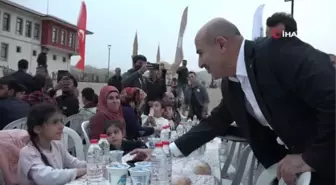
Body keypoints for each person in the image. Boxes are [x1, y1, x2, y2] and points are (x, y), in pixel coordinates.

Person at [136, 17, 336, 184]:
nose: (199, 63)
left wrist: (309, 158)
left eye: (200, 52)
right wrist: (164, 153)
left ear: (222, 44)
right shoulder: (232, 84)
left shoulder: (277, 51)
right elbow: (215, 122)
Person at [18, 103, 86, 185]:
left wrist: (93, 165)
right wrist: (79, 171)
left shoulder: (57, 145)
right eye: (54, 122)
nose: (61, 126)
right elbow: (46, 177)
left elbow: (74, 163)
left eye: (61, 121)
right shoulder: (28, 153)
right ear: (38, 129)